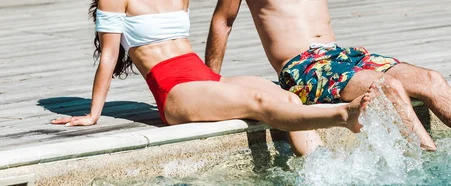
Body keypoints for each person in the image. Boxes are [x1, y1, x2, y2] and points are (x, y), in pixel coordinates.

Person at [205, 0, 451, 151]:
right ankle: (429, 160)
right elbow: (223, 20)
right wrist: (207, 82)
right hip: (302, 66)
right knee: (387, 85)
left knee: (430, 79)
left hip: (342, 53)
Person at [50, 0, 371, 156]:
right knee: (258, 101)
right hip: (173, 89)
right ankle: (344, 114)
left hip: (201, 76)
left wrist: (212, 78)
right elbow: (109, 54)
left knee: (286, 97)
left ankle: (322, 172)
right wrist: (94, 114)